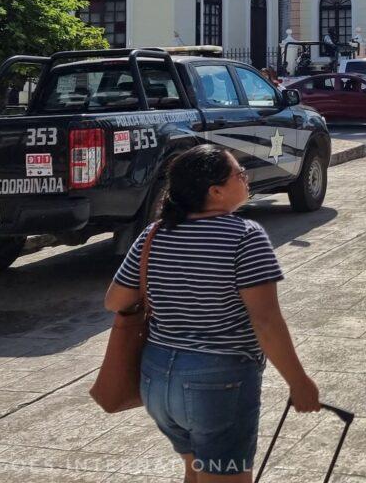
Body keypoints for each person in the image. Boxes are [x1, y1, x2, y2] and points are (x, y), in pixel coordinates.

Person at [105, 145, 320, 482]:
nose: (246, 179)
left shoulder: (153, 235)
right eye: (239, 174)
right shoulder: (245, 237)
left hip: (158, 379)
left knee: (196, 472)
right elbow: (265, 321)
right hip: (216, 382)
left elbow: (115, 301)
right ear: (215, 191)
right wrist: (299, 382)